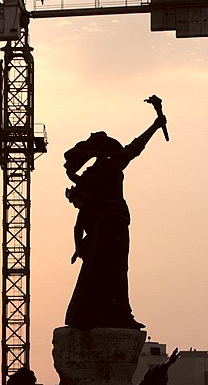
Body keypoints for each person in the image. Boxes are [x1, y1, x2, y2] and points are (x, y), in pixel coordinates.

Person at [63, 112, 166, 329]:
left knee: (107, 270)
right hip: (111, 227)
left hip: (109, 226)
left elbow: (81, 218)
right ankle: (117, 313)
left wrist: (78, 244)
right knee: (115, 271)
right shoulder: (107, 168)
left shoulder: (93, 174)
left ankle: (114, 312)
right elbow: (134, 148)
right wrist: (155, 126)